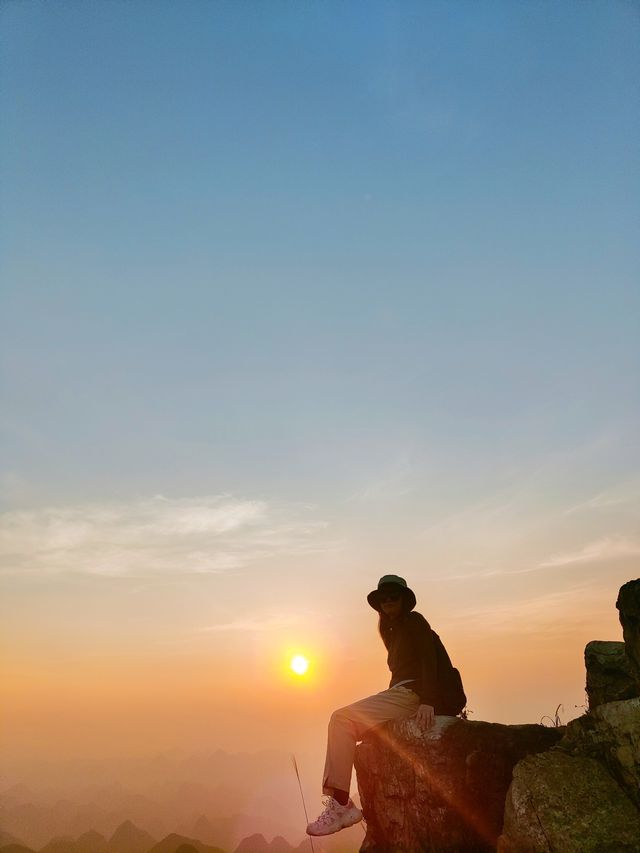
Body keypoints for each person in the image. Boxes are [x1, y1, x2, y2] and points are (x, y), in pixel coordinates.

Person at [306, 574, 446, 838]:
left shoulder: (415, 622)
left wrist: (429, 700)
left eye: (394, 596)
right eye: (384, 597)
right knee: (352, 726)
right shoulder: (391, 630)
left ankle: (340, 804)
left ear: (405, 600)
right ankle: (340, 803)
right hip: (401, 692)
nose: (389, 601)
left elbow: (430, 660)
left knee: (341, 720)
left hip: (413, 694)